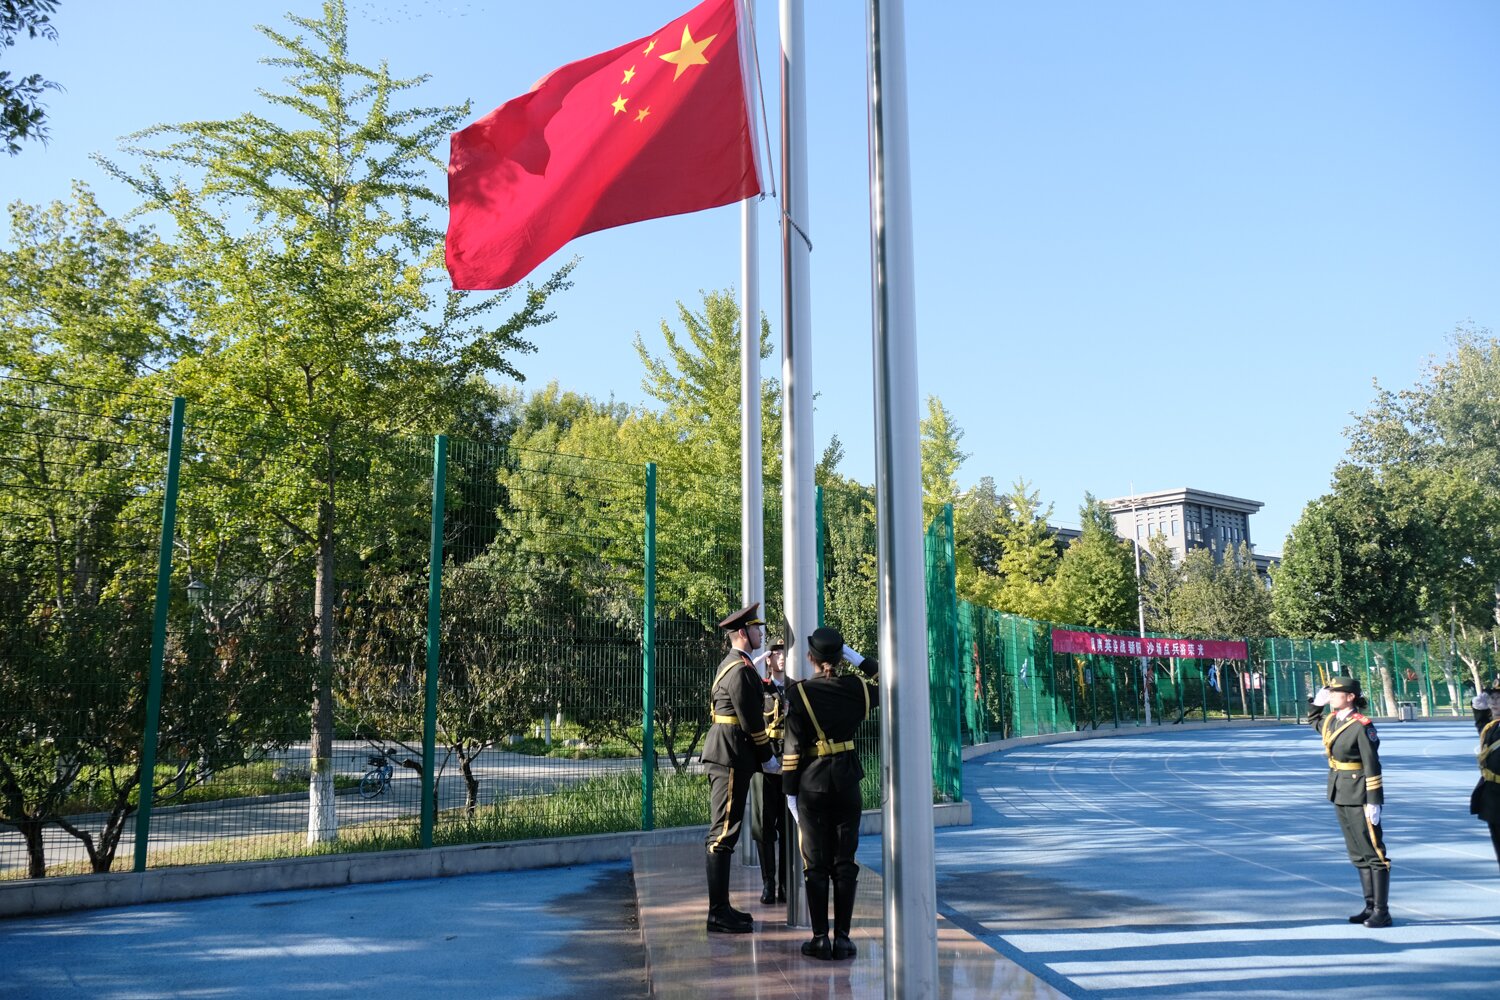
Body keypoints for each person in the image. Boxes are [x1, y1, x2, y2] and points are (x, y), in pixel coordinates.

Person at [783, 626, 878, 960]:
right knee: (845, 861)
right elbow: (887, 680)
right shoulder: (857, 689)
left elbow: (792, 748)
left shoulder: (799, 693)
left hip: (812, 785)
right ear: (840, 657)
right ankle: (844, 938)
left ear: (810, 657)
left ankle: (820, 938)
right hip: (847, 782)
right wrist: (856, 658)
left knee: (815, 862)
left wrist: (789, 791)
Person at [702, 603, 774, 934]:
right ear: (744, 633)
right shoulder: (741, 670)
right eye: (757, 629)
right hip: (731, 754)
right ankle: (717, 913)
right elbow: (752, 722)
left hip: (729, 752)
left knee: (725, 831)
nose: (761, 634)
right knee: (722, 834)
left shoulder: (734, 664)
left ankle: (722, 907)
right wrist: (768, 757)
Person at [1308, 675, 1391, 928]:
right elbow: (1314, 722)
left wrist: (1374, 800)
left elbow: (1372, 764)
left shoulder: (1362, 726)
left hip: (1360, 794)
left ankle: (1382, 911)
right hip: (1340, 791)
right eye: (1330, 693)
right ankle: (1369, 906)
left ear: (1350, 697)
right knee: (1357, 853)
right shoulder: (1332, 720)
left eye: (1335, 693)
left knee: (1374, 852)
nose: (1331, 696)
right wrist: (1316, 705)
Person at [754, 638, 789, 904]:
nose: (782, 657)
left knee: (787, 826)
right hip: (765, 763)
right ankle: (768, 882)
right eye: (776, 653)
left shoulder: (796, 688)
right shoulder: (761, 687)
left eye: (784, 652)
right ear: (768, 659)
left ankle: (786, 883)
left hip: (789, 763)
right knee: (764, 826)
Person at [1470, 682, 1500, 872]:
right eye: (1492, 698)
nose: (1494, 702)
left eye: (1499, 698)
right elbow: (1483, 728)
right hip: (1493, 797)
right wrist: (1479, 710)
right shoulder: (1492, 726)